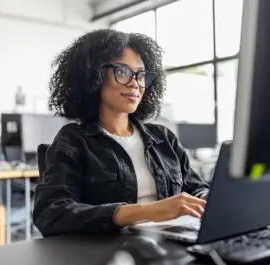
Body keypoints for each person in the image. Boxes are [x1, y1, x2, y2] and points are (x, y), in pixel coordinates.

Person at [33, 29, 210, 236]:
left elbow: (195, 187)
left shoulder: (163, 138)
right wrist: (145, 211)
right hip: (111, 255)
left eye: (141, 75)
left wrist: (209, 198)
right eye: (122, 71)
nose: (135, 83)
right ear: (94, 76)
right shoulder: (73, 140)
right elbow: (50, 213)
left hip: (170, 246)